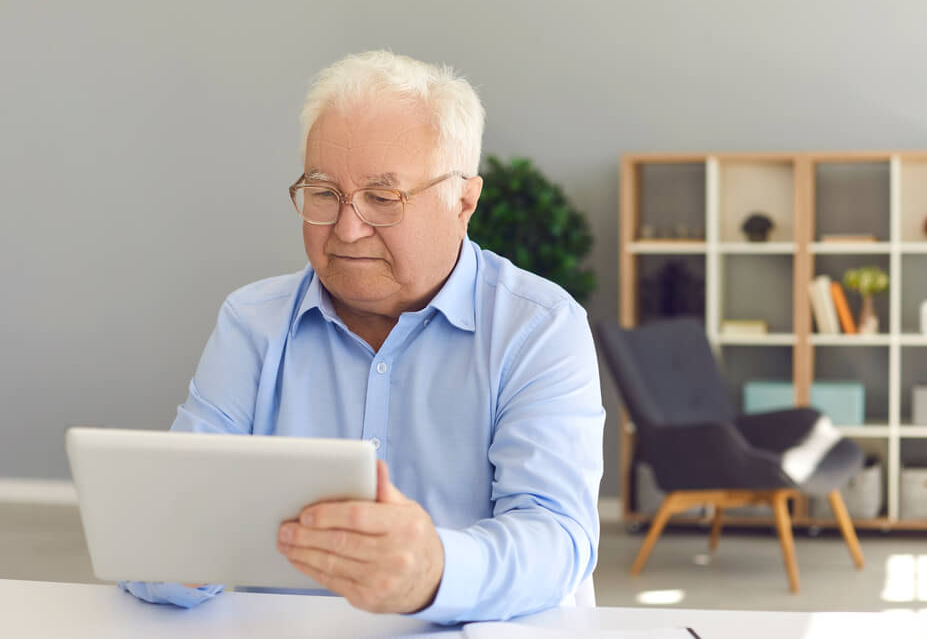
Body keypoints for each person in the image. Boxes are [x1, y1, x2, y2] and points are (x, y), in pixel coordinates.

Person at [119, 51, 604, 624]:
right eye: (324, 193)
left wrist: (435, 571)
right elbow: (157, 531)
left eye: (382, 198)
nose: (348, 229)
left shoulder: (539, 327)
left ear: (463, 202)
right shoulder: (252, 322)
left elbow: (557, 537)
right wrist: (175, 557)